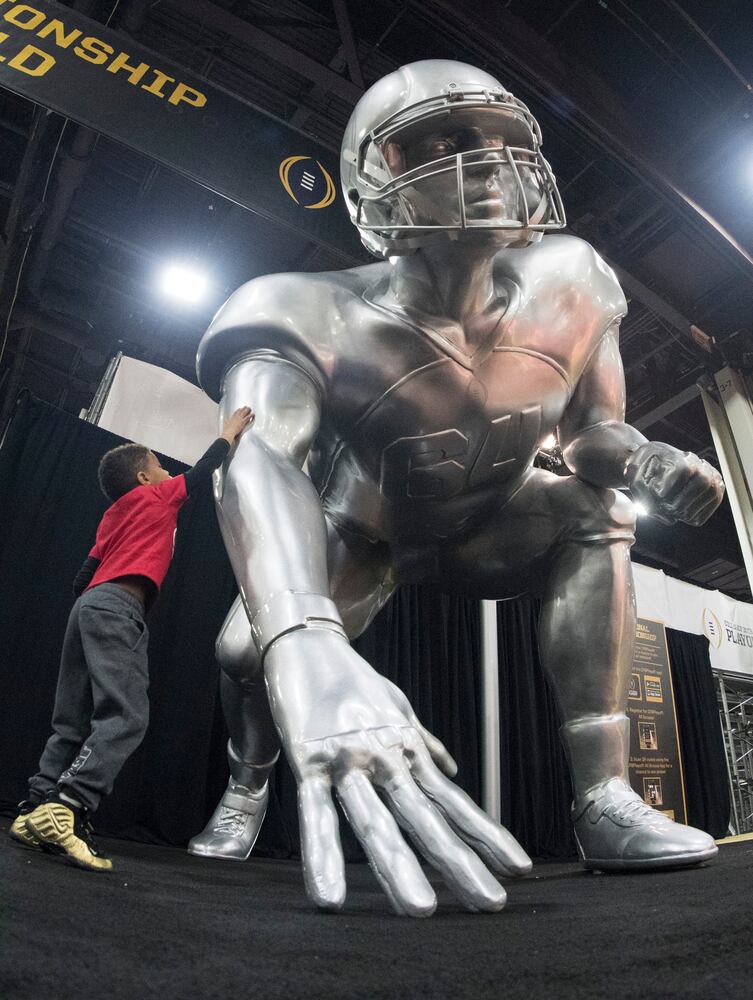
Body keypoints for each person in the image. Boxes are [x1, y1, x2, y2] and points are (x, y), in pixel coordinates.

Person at [190, 60, 725, 917]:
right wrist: (302, 630)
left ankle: (605, 797)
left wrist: (642, 460)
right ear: (371, 181)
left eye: (502, 141)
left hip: (491, 519)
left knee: (596, 507)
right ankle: (247, 786)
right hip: (365, 532)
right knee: (240, 653)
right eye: (434, 144)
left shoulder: (575, 281)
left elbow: (590, 436)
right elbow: (260, 458)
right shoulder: (298, 309)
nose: (481, 162)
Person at [9, 405, 253, 871]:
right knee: (126, 716)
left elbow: (82, 575)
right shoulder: (158, 497)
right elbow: (202, 474)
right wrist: (228, 434)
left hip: (88, 608)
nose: (167, 472)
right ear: (145, 478)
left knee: (71, 720)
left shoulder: (112, 515)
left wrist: (92, 613)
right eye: (160, 466)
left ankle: (34, 807)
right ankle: (69, 807)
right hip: (118, 607)